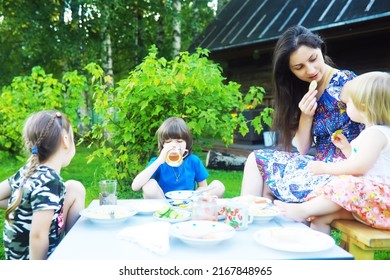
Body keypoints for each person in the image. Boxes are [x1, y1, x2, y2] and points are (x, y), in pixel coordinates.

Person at [240, 25, 363, 202]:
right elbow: (302, 148)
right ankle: (245, 217)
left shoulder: (347, 83)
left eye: (313, 59)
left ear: (320, 48)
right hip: (317, 166)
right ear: (290, 71)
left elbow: (373, 128)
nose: (311, 70)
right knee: (256, 160)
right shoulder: (303, 90)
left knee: (268, 188)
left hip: (342, 169)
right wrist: (306, 115)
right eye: (299, 67)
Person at [275, 71, 390, 234]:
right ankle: (320, 254)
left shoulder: (376, 134)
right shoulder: (372, 133)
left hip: (381, 200)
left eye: (348, 104)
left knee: (343, 182)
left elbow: (360, 167)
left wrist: (325, 168)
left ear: (363, 107)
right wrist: (346, 149)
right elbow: (367, 161)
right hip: (371, 203)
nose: (345, 107)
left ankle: (303, 210)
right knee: (321, 217)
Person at [0, 110, 86, 260]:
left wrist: (23, 205)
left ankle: (75, 245)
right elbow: (38, 236)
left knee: (74, 187)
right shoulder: (51, 182)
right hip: (36, 264)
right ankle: (75, 254)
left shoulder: (28, 171)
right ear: (66, 140)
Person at [131, 116, 225, 199]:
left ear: (186, 144)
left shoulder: (193, 161)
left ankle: (192, 210)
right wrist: (160, 160)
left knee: (218, 186)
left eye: (179, 141)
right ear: (163, 144)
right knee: (148, 185)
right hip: (163, 203)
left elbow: (203, 187)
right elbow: (135, 187)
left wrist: (194, 197)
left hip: (189, 202)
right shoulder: (158, 162)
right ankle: (168, 211)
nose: (174, 146)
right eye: (168, 142)